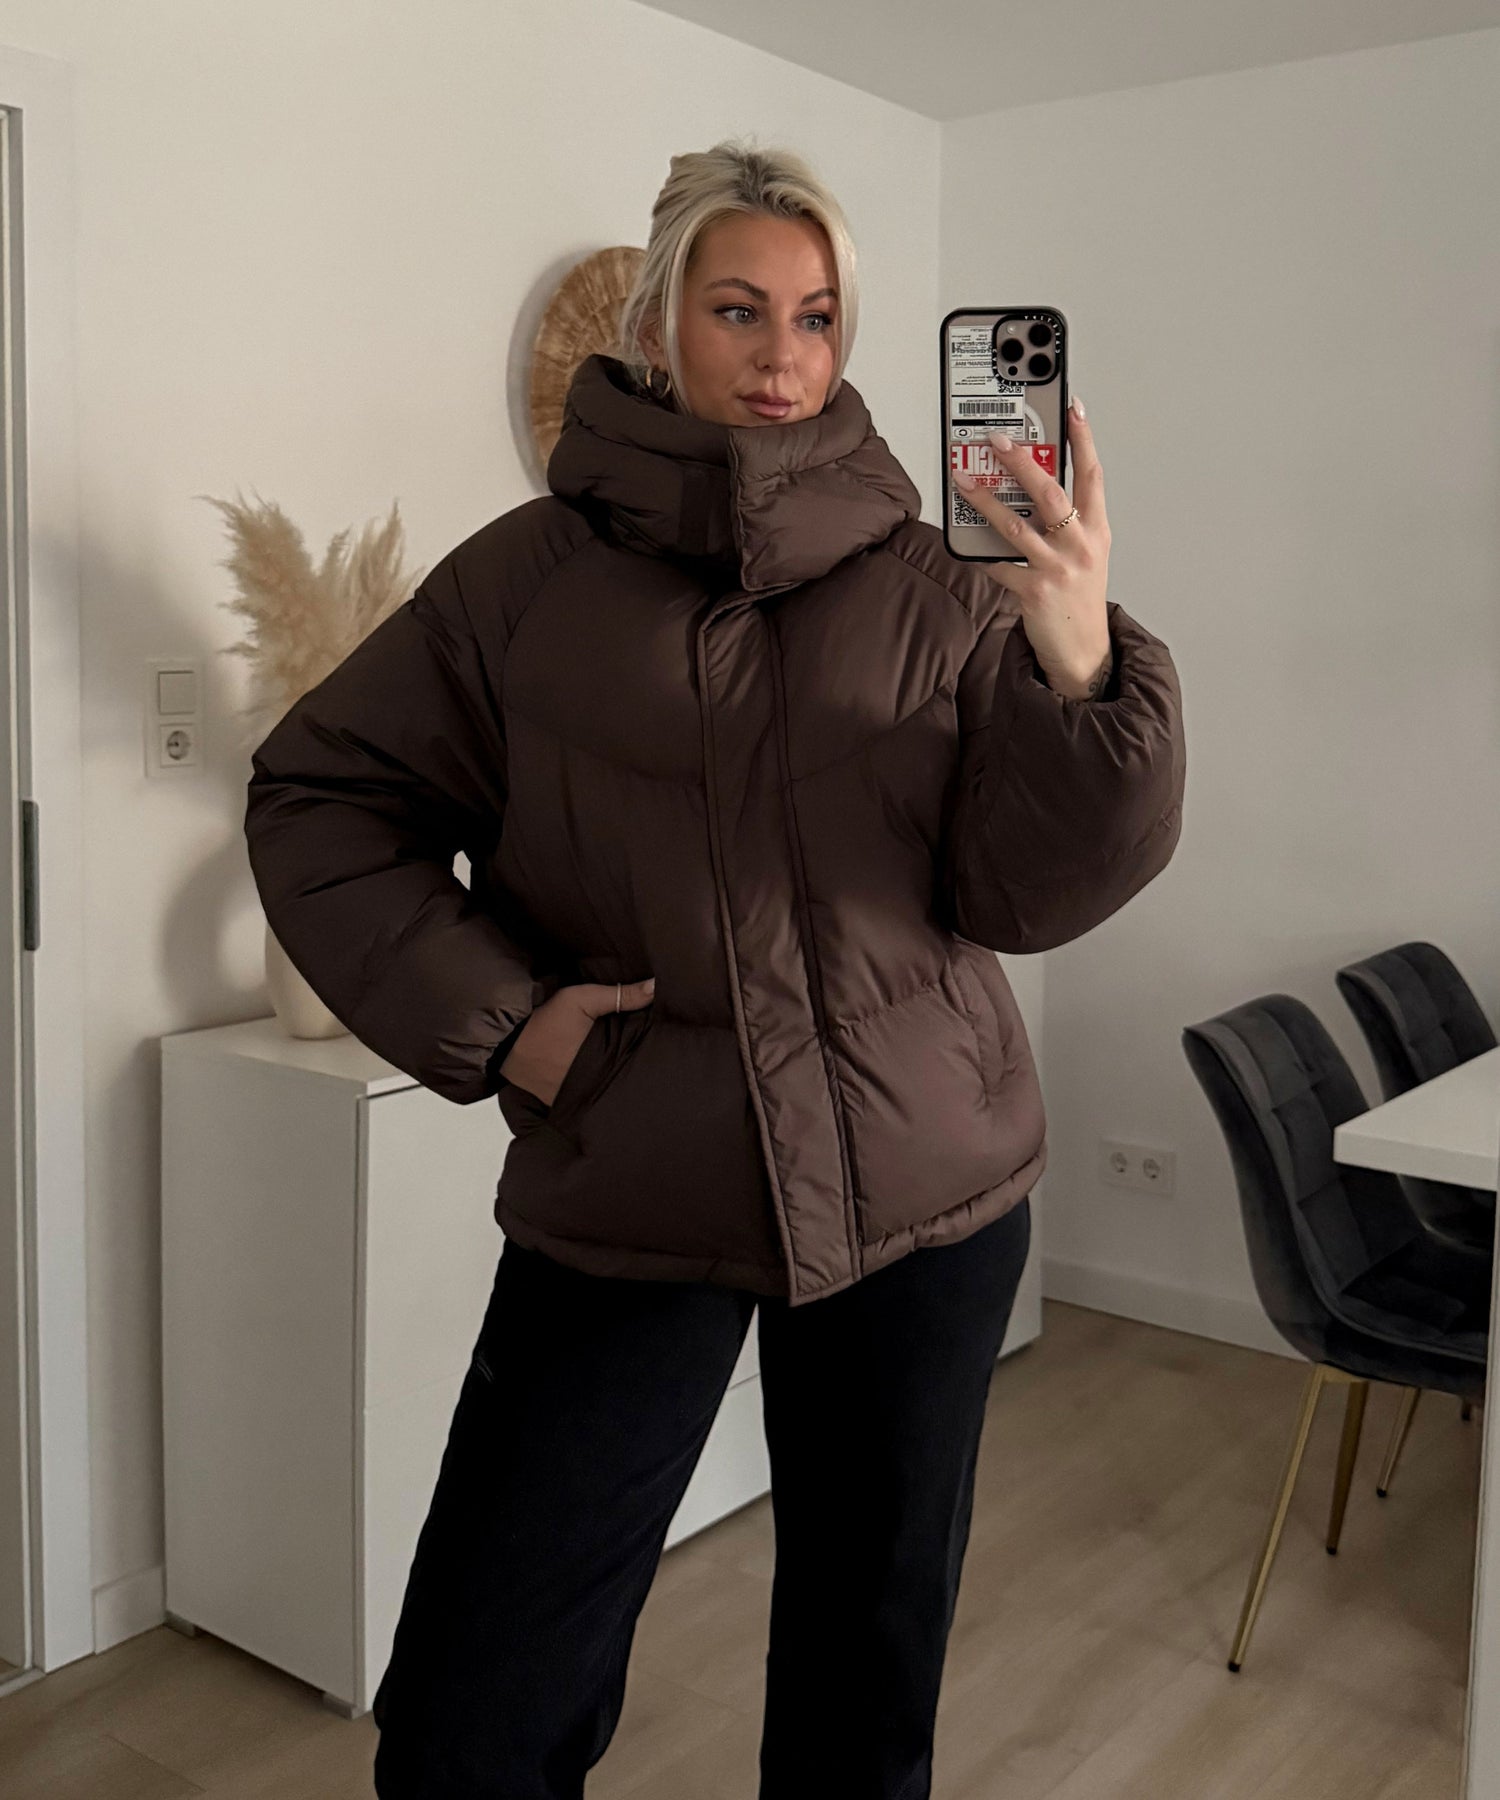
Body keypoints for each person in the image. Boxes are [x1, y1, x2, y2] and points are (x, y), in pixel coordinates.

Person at [244, 138, 1185, 1799]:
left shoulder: (941, 578)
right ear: (657, 321)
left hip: (924, 1186)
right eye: (739, 309)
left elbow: (1028, 894)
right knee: (478, 1700)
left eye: (816, 318)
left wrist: (1079, 655)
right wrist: (511, 1027)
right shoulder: (520, 585)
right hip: (637, 1169)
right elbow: (322, 798)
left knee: (865, 1680)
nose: (781, 355)